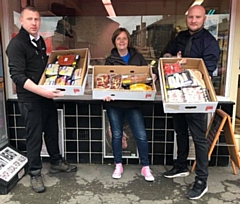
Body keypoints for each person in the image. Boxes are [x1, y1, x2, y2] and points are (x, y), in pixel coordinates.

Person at [6, 6, 77, 193]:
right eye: (29, 19)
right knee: (34, 138)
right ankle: (35, 173)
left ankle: (56, 162)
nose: (34, 23)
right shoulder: (16, 45)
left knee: (52, 131)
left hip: (46, 96)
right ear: (21, 21)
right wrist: (41, 91)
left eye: (36, 19)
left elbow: (44, 69)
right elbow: (18, 77)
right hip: (30, 99)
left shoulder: (39, 41)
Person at [163, 5, 220, 200]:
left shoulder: (210, 42)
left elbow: (208, 70)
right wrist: (171, 58)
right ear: (187, 18)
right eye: (190, 17)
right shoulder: (180, 37)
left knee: (199, 138)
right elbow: (166, 55)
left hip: (197, 96)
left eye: (197, 17)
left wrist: (186, 63)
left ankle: (201, 180)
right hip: (176, 93)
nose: (193, 20)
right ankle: (181, 166)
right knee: (179, 131)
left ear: (204, 19)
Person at [104, 27, 155, 181]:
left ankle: (145, 167)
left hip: (133, 103)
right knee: (117, 135)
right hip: (115, 104)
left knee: (141, 136)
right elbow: (105, 81)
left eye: (124, 38)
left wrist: (152, 77)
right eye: (118, 38)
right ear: (114, 41)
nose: (121, 41)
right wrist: (104, 94)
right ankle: (118, 164)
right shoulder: (110, 60)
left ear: (128, 41)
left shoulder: (137, 58)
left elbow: (147, 76)